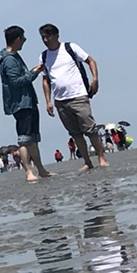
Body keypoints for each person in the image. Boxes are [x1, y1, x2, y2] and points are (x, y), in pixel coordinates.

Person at [37, 25, 105, 170]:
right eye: (43, 37)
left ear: (56, 35)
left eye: (48, 36)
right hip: (60, 100)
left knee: (90, 129)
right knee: (75, 133)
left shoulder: (70, 48)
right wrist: (48, 101)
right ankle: (87, 162)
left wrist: (95, 79)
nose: (45, 40)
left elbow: (91, 61)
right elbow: (45, 80)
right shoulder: (44, 56)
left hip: (78, 95)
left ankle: (101, 157)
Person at [0, 26, 46, 181]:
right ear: (17, 39)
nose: (25, 40)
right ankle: (28, 172)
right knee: (24, 139)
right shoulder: (9, 60)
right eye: (23, 38)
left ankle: (41, 169)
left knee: (33, 137)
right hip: (21, 103)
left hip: (28, 101)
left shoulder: (14, 56)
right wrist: (34, 73)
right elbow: (15, 81)